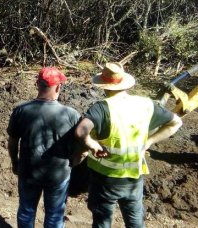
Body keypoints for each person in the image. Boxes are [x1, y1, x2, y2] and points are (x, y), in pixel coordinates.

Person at [75, 62, 183, 228]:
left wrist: (91, 145)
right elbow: (176, 122)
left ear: (104, 86)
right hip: (133, 177)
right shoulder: (146, 104)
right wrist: (149, 141)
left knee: (102, 222)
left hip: (105, 178)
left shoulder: (102, 108)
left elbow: (81, 131)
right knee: (135, 222)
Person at [7, 66, 81, 228]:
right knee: (54, 215)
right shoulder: (71, 115)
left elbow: (13, 142)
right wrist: (75, 160)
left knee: (26, 211)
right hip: (58, 174)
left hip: (28, 171)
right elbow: (82, 144)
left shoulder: (21, 111)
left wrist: (15, 162)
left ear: (37, 84)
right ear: (58, 86)